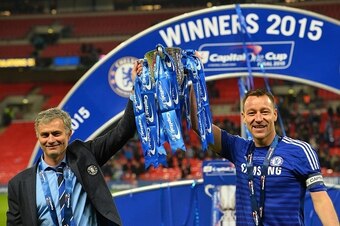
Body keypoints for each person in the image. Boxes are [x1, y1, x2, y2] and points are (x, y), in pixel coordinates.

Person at [7, 62, 143, 226]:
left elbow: (123, 132)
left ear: (69, 134)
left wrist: (136, 88)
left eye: (56, 133)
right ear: (38, 136)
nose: (51, 140)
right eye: (45, 135)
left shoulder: (85, 155)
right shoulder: (19, 184)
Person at [190, 88, 339, 225]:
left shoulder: (300, 151)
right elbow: (199, 125)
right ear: (243, 117)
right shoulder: (237, 148)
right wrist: (192, 81)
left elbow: (321, 200)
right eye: (252, 113)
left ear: (274, 114)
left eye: (264, 112)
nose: (258, 118)